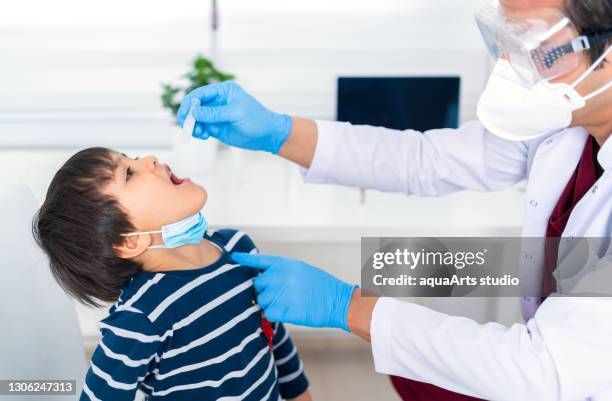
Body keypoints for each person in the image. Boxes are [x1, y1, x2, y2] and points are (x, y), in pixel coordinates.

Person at [176, 0, 612, 399]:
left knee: (409, 291)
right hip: (545, 284)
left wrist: (346, 305)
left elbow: (545, 372)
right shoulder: (563, 119)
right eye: (503, 38)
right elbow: (427, 159)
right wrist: (280, 133)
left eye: (531, 45)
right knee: (404, 279)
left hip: (565, 375)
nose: (506, 64)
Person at [32, 147, 312, 401]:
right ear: (129, 241)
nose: (150, 159)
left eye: (134, 157)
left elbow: (272, 334)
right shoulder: (142, 317)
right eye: (128, 173)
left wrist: (300, 394)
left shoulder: (239, 248)